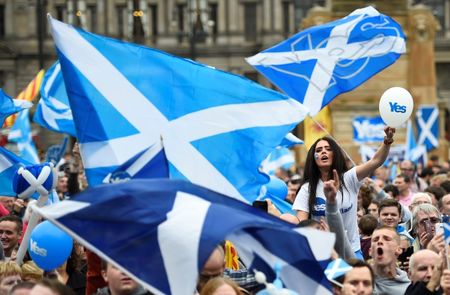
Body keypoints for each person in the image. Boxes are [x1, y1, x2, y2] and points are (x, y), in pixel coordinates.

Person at [293, 127, 395, 256]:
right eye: (319, 150)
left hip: (352, 250)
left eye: (328, 149)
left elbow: (375, 161)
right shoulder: (307, 189)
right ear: (314, 158)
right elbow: (302, 224)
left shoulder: (350, 178)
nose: (323, 152)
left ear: (335, 154)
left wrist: (387, 141)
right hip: (323, 252)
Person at [370, 226, 410, 294]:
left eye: (387, 239)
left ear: (399, 250)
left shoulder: (409, 289)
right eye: (375, 240)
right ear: (370, 251)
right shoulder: (360, 282)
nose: (379, 241)